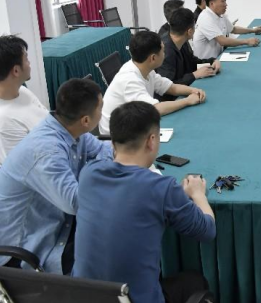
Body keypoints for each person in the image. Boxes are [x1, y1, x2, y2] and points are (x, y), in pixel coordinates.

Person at [73, 101, 216, 303]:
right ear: (151, 141)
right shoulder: (162, 188)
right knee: (194, 281)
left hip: (82, 296)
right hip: (132, 299)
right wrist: (198, 194)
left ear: (112, 142)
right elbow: (207, 230)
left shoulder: (88, 173)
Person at [0, 79, 112, 273]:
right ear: (86, 120)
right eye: (100, 108)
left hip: (59, 220)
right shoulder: (46, 152)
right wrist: (101, 170)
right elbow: (76, 203)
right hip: (29, 248)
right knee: (115, 243)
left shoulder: (70, 128)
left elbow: (103, 149)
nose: (102, 113)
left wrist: (98, 167)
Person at [99, 31, 206, 135]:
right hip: (116, 137)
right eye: (163, 51)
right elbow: (155, 109)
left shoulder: (144, 67)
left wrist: (193, 90)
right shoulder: (130, 80)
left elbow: (171, 87)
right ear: (153, 58)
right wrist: (187, 101)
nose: (164, 54)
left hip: (132, 123)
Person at [0, 35, 48, 165]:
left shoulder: (22, 91)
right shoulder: (5, 122)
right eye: (26, 59)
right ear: (16, 70)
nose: (29, 63)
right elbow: (24, 169)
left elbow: (48, 119)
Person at [156, 8, 221, 101]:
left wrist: (212, 61)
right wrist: (194, 75)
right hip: (170, 100)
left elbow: (192, 61)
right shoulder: (166, 52)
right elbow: (168, 87)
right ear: (190, 31)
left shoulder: (182, 41)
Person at [193, 0, 261, 60]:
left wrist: (253, 30)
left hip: (217, 58)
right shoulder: (205, 18)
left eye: (225, 1)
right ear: (212, 3)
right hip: (204, 63)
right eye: (223, 1)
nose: (226, 4)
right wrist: (247, 41)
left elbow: (233, 29)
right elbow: (222, 41)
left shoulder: (220, 14)